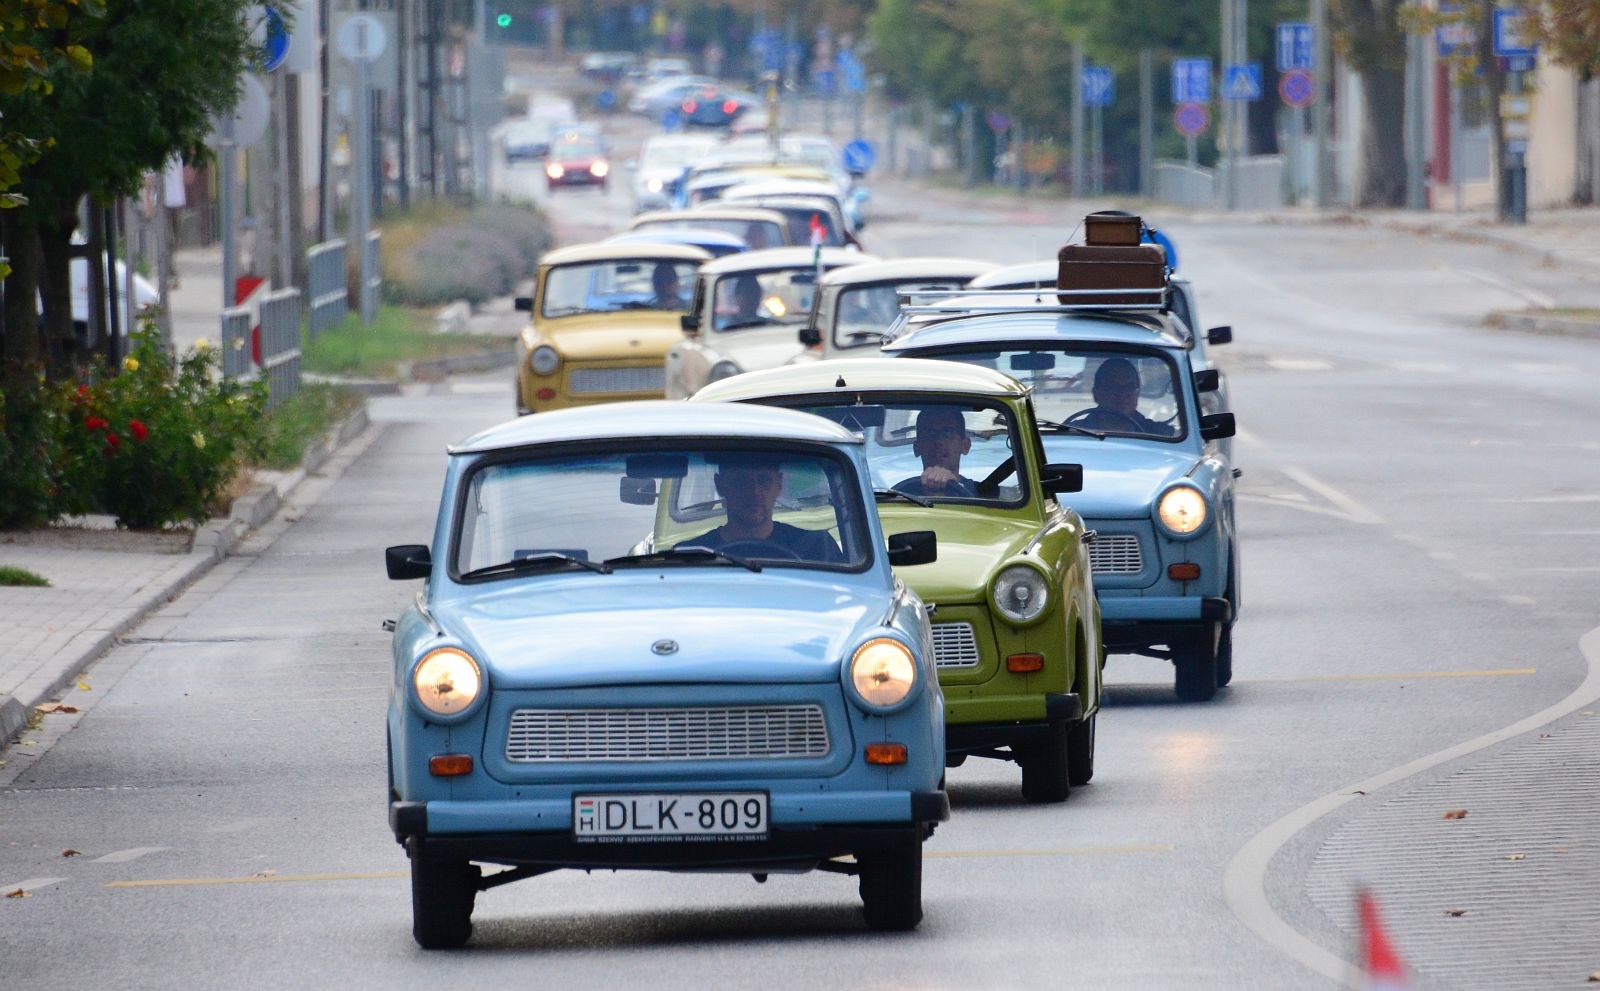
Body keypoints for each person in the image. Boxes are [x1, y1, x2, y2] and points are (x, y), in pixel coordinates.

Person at [685, 456, 845, 562]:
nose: (755, 492)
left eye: (764, 481)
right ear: (720, 485)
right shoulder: (689, 556)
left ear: (779, 484)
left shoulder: (817, 549)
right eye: (741, 482)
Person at [1074, 357, 1175, 436]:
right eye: (1112, 386)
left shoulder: (1161, 436)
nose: (1122, 394)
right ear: (1096, 394)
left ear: (1137, 394)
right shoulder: (1072, 434)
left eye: (1129, 387)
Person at [894, 406, 980, 498]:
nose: (938, 441)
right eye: (929, 433)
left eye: (947, 433)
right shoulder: (896, 497)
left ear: (965, 446)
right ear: (917, 448)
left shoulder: (986, 495)